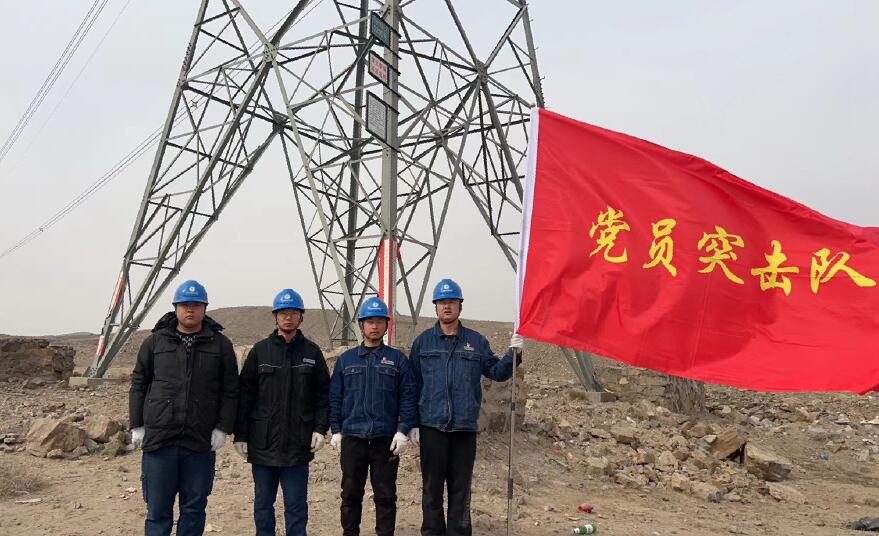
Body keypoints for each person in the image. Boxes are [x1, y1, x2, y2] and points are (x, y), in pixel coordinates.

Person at [408, 278, 523, 536]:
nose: (447, 306)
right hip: (432, 427)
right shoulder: (423, 343)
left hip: (464, 429)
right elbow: (412, 385)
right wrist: (411, 424)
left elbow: (497, 372)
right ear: (436, 307)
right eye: (442, 302)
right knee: (431, 488)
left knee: (461, 489)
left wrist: (513, 353)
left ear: (460, 306)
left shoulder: (476, 341)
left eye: (452, 302)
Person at [129, 279, 239, 536]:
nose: (190, 309)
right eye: (185, 305)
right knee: (158, 511)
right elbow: (139, 384)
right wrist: (137, 425)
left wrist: (222, 427)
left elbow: (231, 389)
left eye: (196, 305)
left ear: (204, 308)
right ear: (176, 307)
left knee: (194, 509)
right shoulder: (155, 342)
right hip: (160, 441)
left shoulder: (220, 344)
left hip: (199, 442)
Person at [234, 289, 330, 536]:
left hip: (298, 445)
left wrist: (320, 428)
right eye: (283, 313)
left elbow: (323, 396)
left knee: (296, 507)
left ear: (301, 317)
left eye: (293, 313)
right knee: (263, 505)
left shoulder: (312, 353)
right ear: (275, 317)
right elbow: (245, 396)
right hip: (262, 444)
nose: (288, 317)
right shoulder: (259, 351)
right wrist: (241, 435)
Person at [328, 297, 417, 536]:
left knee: (385, 495)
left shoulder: (398, 360)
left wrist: (403, 430)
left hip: (385, 440)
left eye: (379, 321)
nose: (374, 326)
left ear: (386, 325)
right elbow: (335, 397)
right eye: (370, 321)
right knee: (350, 494)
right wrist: (336, 430)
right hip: (353, 438)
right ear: (361, 325)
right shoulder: (346, 360)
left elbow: (408, 397)